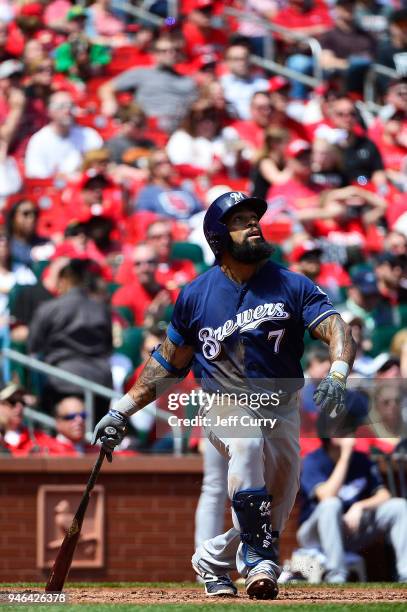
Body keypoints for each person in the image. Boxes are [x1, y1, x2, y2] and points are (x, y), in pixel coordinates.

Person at [92, 190, 356, 599]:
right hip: (224, 402)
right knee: (247, 447)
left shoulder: (291, 283)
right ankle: (257, 562)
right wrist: (122, 410)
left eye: (254, 217)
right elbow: (167, 363)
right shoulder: (196, 294)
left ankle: (213, 558)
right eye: (239, 220)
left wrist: (338, 370)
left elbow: (335, 327)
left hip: (281, 407)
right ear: (218, 237)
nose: (253, 224)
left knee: (278, 504)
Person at [297, 423, 407, 583]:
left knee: (399, 506)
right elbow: (326, 496)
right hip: (314, 534)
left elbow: (384, 495)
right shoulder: (313, 460)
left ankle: (405, 574)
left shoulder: (362, 460)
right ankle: (336, 576)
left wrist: (360, 506)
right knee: (331, 505)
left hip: (349, 529)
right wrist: (345, 456)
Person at [28, 259, 113, 418]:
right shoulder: (101, 309)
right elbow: (108, 347)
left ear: (64, 280)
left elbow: (33, 346)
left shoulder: (49, 308)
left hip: (62, 380)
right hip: (100, 380)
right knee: (95, 436)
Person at [98, 35, 197, 132]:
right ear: (154, 54)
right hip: (146, 129)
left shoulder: (188, 80)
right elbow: (107, 88)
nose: (171, 54)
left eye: (175, 50)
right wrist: (109, 101)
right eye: (164, 51)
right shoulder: (141, 73)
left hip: (179, 129)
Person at [24, 91, 103, 178]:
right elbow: (36, 176)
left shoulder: (88, 135)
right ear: (49, 111)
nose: (67, 111)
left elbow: (101, 164)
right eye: (61, 107)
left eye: (71, 106)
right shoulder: (39, 141)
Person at [220, 41, 269, 120]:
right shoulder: (222, 84)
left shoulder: (262, 83)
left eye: (244, 59)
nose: (241, 63)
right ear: (227, 62)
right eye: (236, 59)